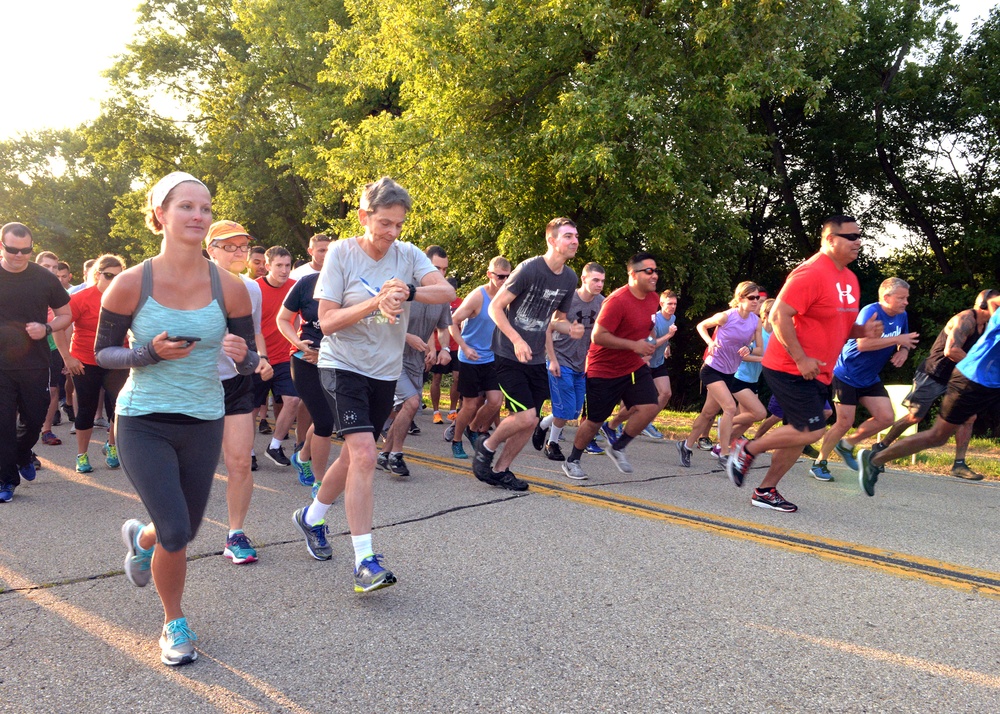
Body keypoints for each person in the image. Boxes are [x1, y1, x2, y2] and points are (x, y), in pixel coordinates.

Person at [98, 171, 259, 665]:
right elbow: (102, 353)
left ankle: (140, 539)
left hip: (203, 418)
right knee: (175, 530)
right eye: (186, 206)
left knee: (183, 531)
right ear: (159, 216)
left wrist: (243, 354)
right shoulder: (130, 283)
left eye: (204, 208)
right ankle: (173, 622)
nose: (197, 215)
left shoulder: (230, 287)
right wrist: (146, 353)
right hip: (143, 418)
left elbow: (254, 358)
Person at [292, 177, 454, 592]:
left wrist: (411, 289)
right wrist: (374, 302)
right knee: (365, 453)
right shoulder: (342, 254)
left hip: (384, 370)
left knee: (352, 457)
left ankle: (310, 518)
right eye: (384, 223)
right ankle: (365, 560)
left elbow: (447, 291)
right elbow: (326, 321)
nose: (392, 233)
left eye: (399, 224)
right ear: (364, 216)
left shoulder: (408, 254)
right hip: (342, 364)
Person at [727, 215, 882, 513]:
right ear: (830, 240)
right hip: (790, 366)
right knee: (813, 429)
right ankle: (746, 449)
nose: (858, 241)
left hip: (819, 370)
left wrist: (862, 331)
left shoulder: (849, 279)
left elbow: (837, 325)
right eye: (850, 236)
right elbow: (778, 316)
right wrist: (800, 357)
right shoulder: (810, 273)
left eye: (859, 236)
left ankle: (765, 490)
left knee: (802, 430)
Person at [471, 218, 580, 490]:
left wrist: (571, 329)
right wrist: (517, 339)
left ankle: (501, 470)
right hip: (508, 353)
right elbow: (495, 308)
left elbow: (556, 321)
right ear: (552, 241)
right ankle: (486, 445)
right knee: (528, 416)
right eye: (568, 236)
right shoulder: (529, 269)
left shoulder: (570, 278)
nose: (575, 241)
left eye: (576, 236)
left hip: (536, 358)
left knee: (528, 423)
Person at [859, 293, 1000, 496]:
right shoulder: (965, 319)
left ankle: (959, 463)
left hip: (969, 377)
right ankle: (880, 448)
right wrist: (978, 365)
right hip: (936, 374)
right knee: (916, 418)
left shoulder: (989, 322)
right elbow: (951, 351)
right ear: (983, 304)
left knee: (969, 418)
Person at [206, 220, 274, 564]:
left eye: (243, 247)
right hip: (194, 385)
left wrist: (261, 358)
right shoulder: (190, 282)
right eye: (229, 246)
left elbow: (253, 334)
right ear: (211, 250)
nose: (238, 253)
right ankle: (158, 532)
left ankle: (235, 533)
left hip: (235, 384)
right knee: (191, 471)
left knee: (240, 462)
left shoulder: (251, 288)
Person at [560, 254, 661, 480]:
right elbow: (598, 336)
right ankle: (572, 460)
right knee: (594, 421)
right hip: (603, 369)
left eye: (655, 271)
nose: (654, 275)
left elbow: (648, 325)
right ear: (633, 274)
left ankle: (618, 447)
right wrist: (634, 345)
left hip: (632, 365)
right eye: (649, 271)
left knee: (650, 406)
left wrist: (649, 342)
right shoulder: (617, 301)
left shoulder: (653, 298)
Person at [810, 277, 918, 480]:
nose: (906, 302)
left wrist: (903, 350)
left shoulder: (901, 315)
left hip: (869, 377)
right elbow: (863, 345)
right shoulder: (871, 312)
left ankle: (847, 444)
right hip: (846, 374)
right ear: (886, 297)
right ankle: (819, 463)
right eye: (901, 298)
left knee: (886, 417)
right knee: (844, 422)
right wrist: (898, 340)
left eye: (906, 298)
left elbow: (904, 339)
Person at [0, 223, 72, 502]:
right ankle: (6, 479)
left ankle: (21, 454)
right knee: (3, 425)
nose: (19, 255)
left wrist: (47, 328)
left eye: (26, 250)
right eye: (12, 250)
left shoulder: (44, 278)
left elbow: (65, 315)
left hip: (35, 363)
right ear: (2, 246)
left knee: (33, 420)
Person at [378, 245, 453, 477]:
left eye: (444, 269)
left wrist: (443, 349)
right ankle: (396, 455)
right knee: (411, 403)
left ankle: (384, 453)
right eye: (435, 268)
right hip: (391, 358)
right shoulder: (402, 289)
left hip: (416, 361)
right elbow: (380, 322)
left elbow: (442, 328)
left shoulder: (440, 297)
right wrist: (407, 336)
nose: (440, 274)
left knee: (406, 410)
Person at [677, 282, 763, 467]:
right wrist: (710, 342)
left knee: (708, 412)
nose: (756, 301)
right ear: (740, 299)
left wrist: (748, 349)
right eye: (752, 298)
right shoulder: (726, 316)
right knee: (730, 408)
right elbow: (701, 326)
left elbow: (759, 349)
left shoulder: (756, 321)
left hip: (729, 372)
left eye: (758, 297)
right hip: (712, 369)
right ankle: (724, 454)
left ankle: (686, 445)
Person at [532, 262, 606, 460]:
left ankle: (542, 425)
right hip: (560, 358)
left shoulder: (602, 302)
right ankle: (552, 444)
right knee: (564, 408)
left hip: (581, 362)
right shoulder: (568, 299)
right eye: (595, 280)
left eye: (602, 281)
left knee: (573, 411)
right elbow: (547, 328)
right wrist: (552, 359)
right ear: (584, 279)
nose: (599, 284)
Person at [63, 254, 130, 473]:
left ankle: (112, 446)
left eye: (119, 276)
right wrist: (68, 358)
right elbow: (58, 327)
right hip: (85, 360)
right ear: (97, 275)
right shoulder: (81, 298)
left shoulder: (127, 297)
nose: (113, 280)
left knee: (118, 407)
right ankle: (81, 455)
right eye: (108, 275)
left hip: (117, 359)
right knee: (87, 408)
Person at [277, 258, 336, 495]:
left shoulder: (352, 286)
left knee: (327, 418)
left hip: (337, 360)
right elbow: (283, 319)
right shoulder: (306, 283)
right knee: (323, 422)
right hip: (305, 359)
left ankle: (302, 457)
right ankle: (320, 483)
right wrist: (298, 342)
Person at [447, 256, 510, 459]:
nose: (504, 281)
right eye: (500, 276)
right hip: (470, 357)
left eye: (508, 277)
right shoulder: (478, 296)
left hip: (492, 357)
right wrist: (464, 347)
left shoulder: (507, 297)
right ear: (489, 275)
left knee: (495, 401)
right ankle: (457, 440)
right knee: (470, 404)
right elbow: (452, 321)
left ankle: (472, 429)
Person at [255, 246, 300, 466]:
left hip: (284, 357)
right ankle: (247, 452)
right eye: (279, 266)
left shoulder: (295, 287)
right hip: (258, 358)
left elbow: (303, 318)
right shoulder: (254, 289)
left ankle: (274, 446)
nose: (284, 270)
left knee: (293, 400)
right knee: (251, 409)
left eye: (287, 266)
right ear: (267, 266)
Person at [728, 297, 774, 445]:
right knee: (759, 413)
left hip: (753, 381)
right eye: (776, 312)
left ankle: (722, 447)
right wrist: (763, 360)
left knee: (747, 421)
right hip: (739, 378)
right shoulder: (756, 333)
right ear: (766, 314)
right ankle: (725, 421)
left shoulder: (775, 336)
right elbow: (741, 356)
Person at [34, 251, 67, 446]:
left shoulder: (59, 292)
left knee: (53, 391)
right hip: (26, 350)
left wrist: (67, 355)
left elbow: (66, 321)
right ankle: (17, 438)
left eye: (55, 267)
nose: (52, 271)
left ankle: (46, 430)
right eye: (47, 267)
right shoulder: (27, 286)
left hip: (53, 348)